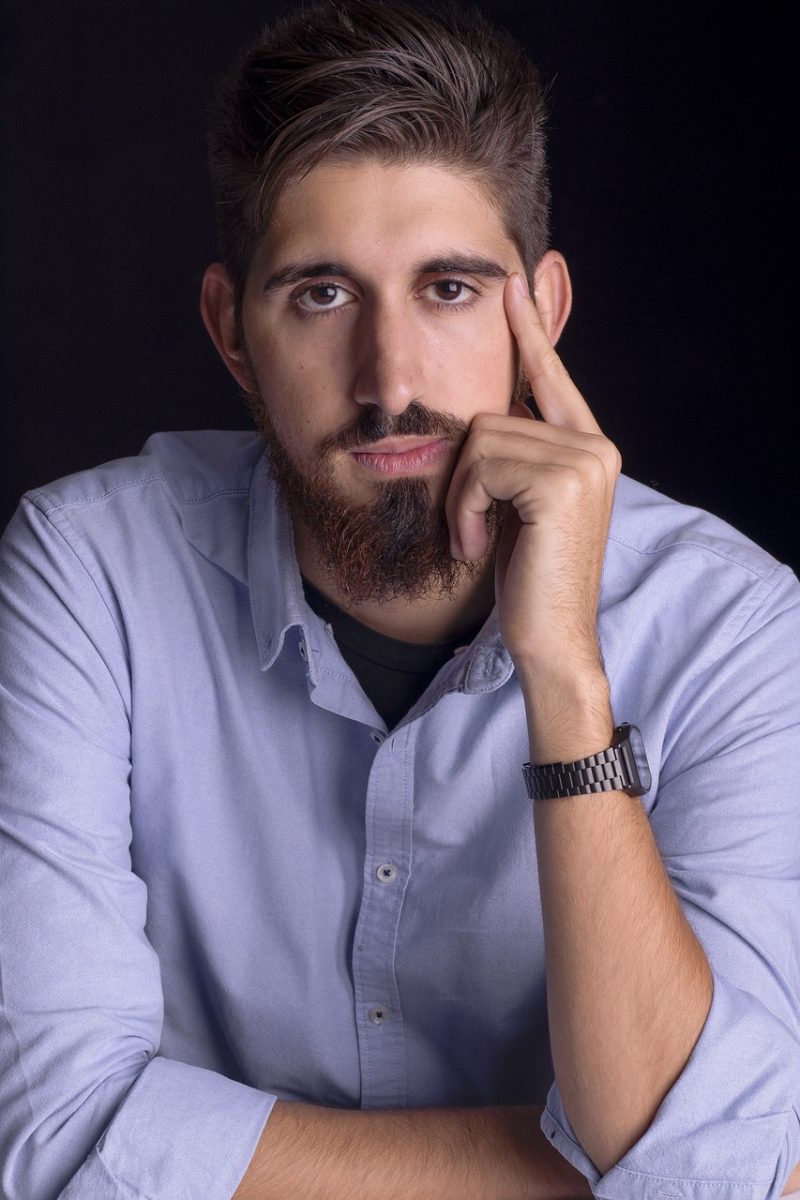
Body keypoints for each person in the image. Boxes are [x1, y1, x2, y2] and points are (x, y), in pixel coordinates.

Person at [0, 0, 798, 1196]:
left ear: (544, 312)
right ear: (231, 331)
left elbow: (714, 1179)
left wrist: (566, 678)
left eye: (449, 291)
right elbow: (53, 1142)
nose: (389, 384)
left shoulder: (727, 624)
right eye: (321, 295)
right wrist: (582, 1172)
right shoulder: (89, 572)